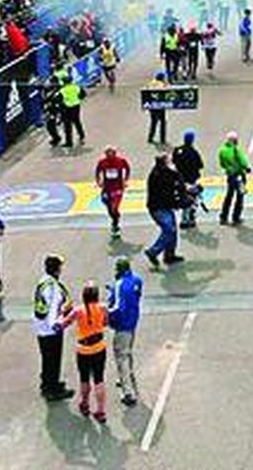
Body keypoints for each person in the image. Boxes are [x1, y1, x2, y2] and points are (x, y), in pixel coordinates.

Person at [59, 282, 109, 423]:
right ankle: (101, 411)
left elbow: (64, 323)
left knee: (84, 378)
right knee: (99, 379)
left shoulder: (78, 311)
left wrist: (61, 313)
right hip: (99, 347)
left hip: (83, 350)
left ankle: (85, 403)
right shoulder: (103, 308)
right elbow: (105, 323)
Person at [33, 253, 74, 401]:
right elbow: (53, 310)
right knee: (53, 359)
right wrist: (57, 324)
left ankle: (47, 383)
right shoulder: (53, 287)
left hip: (40, 328)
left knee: (46, 358)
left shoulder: (43, 281)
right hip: (51, 329)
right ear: (57, 270)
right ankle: (52, 389)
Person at [107, 257, 143, 407]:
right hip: (133, 320)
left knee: (121, 356)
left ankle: (127, 392)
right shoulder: (137, 280)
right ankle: (130, 373)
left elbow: (117, 308)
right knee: (128, 351)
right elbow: (135, 296)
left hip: (122, 325)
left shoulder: (119, 285)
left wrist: (106, 316)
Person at [144, 153, 185, 269]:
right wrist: (178, 201)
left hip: (164, 206)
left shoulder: (163, 172)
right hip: (158, 208)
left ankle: (169, 255)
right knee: (169, 229)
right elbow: (169, 190)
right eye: (169, 161)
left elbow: (177, 179)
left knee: (173, 229)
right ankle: (153, 251)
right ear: (165, 162)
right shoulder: (158, 175)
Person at [95, 146, 131, 239]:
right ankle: (115, 216)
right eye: (108, 153)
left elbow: (127, 168)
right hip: (106, 188)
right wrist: (98, 181)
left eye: (112, 153)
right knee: (107, 204)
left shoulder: (121, 161)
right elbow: (97, 171)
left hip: (118, 188)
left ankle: (115, 225)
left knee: (114, 207)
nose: (110, 155)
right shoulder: (102, 162)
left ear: (115, 153)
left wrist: (125, 180)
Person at [172, 130, 205, 228]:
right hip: (190, 179)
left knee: (183, 197)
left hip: (180, 179)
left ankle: (184, 218)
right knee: (192, 199)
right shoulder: (193, 152)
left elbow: (174, 161)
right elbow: (200, 165)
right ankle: (188, 219)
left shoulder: (177, 150)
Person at [218, 131, 252, 226]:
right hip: (239, 175)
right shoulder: (236, 150)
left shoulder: (222, 150)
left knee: (229, 195)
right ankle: (236, 217)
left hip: (230, 175)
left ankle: (223, 216)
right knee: (240, 196)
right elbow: (243, 162)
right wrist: (247, 168)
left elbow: (222, 164)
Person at [59, 72, 86, 148]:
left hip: (67, 108)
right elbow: (83, 94)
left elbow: (58, 99)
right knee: (77, 121)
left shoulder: (62, 90)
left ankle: (69, 142)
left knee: (67, 125)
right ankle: (81, 135)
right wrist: (78, 99)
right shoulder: (77, 87)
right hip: (76, 106)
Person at [146, 71, 169, 145]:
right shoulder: (161, 84)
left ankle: (150, 137)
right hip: (160, 106)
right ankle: (162, 139)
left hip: (152, 106)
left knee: (153, 122)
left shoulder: (150, 83)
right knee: (162, 122)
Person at [43, 77, 63, 147]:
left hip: (55, 110)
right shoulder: (47, 89)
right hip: (49, 110)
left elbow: (58, 100)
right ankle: (55, 137)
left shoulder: (59, 90)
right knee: (49, 126)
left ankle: (57, 138)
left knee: (52, 125)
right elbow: (45, 99)